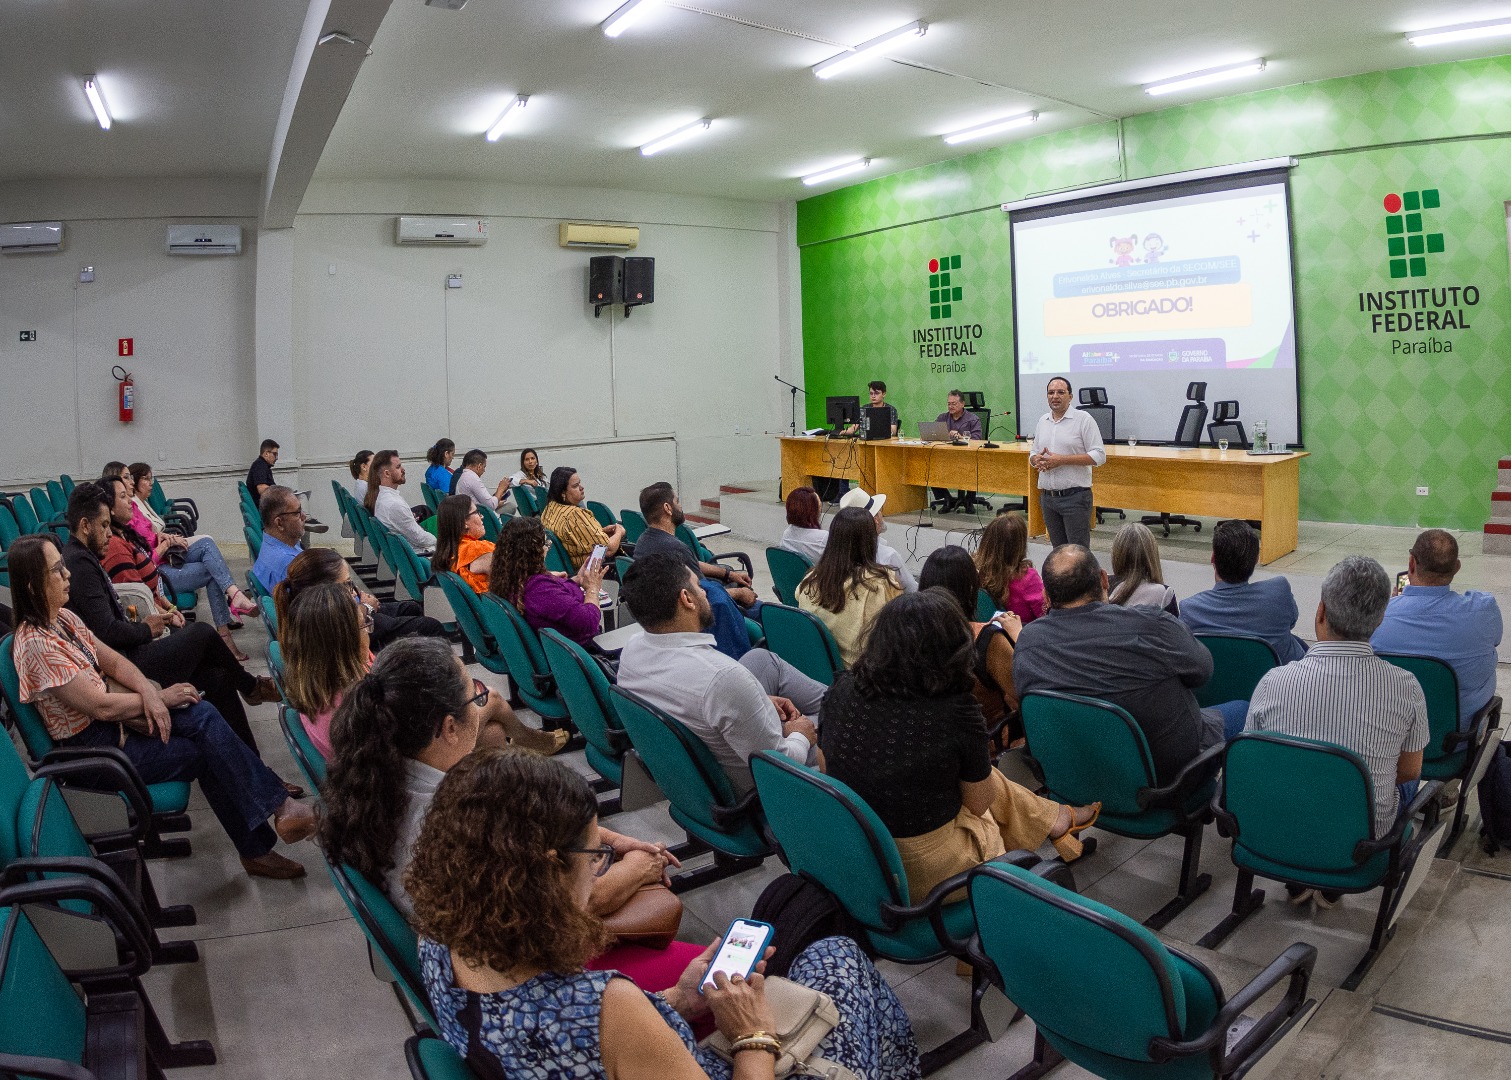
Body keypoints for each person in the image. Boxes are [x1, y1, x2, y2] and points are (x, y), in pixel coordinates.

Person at [410, 749, 921, 1080]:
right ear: (548, 870)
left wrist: (677, 999)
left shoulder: (439, 936)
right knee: (841, 958)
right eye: (595, 857)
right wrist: (752, 1035)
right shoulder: (605, 1006)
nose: (601, 868)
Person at [318, 643, 702, 992]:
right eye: (475, 696)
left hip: (464, 955)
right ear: (449, 728)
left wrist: (612, 840)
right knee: (707, 973)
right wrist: (642, 864)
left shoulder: (376, 776)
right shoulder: (448, 824)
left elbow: (521, 825)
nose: (482, 703)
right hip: (519, 973)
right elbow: (569, 904)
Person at [8, 533, 316, 880]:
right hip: (95, 753)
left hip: (119, 727)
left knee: (202, 713)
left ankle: (271, 822)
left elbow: (114, 663)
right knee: (203, 743)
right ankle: (263, 834)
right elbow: (101, 708)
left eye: (64, 566)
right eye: (56, 570)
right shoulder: (35, 644)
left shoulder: (63, 619)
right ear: (33, 585)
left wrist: (151, 694)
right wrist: (160, 697)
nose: (67, 576)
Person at [820, 590, 1098, 904]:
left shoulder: (842, 687)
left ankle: (1056, 819)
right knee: (980, 787)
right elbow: (979, 804)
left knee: (970, 775)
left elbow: (826, 764)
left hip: (859, 850)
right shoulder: (956, 710)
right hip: (924, 870)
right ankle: (1048, 831)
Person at [61, 483, 284, 765]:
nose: (108, 532)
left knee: (218, 677)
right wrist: (147, 629)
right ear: (84, 525)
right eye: (103, 526)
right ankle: (251, 687)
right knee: (202, 633)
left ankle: (255, 765)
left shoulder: (86, 558)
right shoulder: (80, 564)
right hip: (128, 665)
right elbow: (106, 632)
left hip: (129, 654)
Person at [1013, 544, 1247, 785]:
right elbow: (1203, 671)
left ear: (1047, 597)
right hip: (1164, 779)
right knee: (1244, 709)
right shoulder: (1152, 625)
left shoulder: (1027, 642)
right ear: (1105, 579)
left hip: (1079, 774)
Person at [1248, 556, 1430, 863]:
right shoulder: (1407, 687)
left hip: (1277, 829)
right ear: (1380, 618)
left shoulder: (1273, 681)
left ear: (1320, 612)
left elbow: (1255, 762)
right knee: (1408, 782)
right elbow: (1409, 771)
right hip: (1362, 845)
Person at [617, 554, 827, 793]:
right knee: (844, 723)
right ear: (687, 599)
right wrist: (800, 734)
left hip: (712, 749)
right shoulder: (722, 677)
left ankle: (837, 703)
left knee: (759, 659)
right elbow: (780, 764)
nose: (706, 592)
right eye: (698, 585)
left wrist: (757, 698)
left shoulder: (632, 649)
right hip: (766, 785)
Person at [99, 475, 257, 658]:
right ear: (109, 507)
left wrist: (162, 537)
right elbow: (137, 597)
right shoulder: (117, 545)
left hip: (159, 580)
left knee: (208, 550)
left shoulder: (129, 528)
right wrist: (167, 612)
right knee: (211, 574)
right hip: (158, 582)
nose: (132, 483)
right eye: (123, 493)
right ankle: (230, 616)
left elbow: (150, 543)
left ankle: (231, 609)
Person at [1371, 529, 1503, 727]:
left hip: (1391, 741)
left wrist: (1392, 606)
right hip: (1459, 745)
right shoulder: (1485, 610)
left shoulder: (1377, 618)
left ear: (1411, 563)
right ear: (1457, 567)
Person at [919, 546, 1022, 741]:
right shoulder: (986, 639)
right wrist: (1019, 637)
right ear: (971, 589)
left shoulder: (907, 635)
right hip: (984, 747)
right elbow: (1024, 694)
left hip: (927, 740)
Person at [1178, 519, 1308, 665]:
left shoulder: (1189, 609)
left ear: (1212, 558)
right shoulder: (1279, 591)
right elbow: (1291, 622)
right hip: (1280, 684)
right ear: (1256, 559)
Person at [273, 546, 445, 652]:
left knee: (410, 608)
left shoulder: (309, 625)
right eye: (347, 585)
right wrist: (365, 610)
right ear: (324, 593)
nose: (355, 592)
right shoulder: (336, 638)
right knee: (430, 625)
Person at [796, 506, 903, 666]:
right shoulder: (881, 582)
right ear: (870, 541)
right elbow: (900, 633)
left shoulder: (811, 579)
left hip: (820, 671)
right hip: (865, 677)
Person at [281, 581, 372, 761]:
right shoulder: (358, 709)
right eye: (363, 626)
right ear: (344, 643)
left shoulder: (315, 687)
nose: (368, 632)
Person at [488, 516, 604, 650]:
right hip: (581, 652)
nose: (547, 549)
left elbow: (554, 603)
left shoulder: (510, 578)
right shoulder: (540, 590)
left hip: (560, 649)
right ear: (533, 552)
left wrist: (576, 580)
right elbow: (589, 621)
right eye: (545, 544)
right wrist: (593, 589)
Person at [636, 482, 757, 607]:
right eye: (677, 502)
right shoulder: (675, 548)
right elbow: (704, 596)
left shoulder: (643, 542)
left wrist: (729, 574)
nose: (680, 506)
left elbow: (690, 563)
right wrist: (740, 593)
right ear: (668, 508)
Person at [1028, 377, 1106, 549]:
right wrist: (1035, 459)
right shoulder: (1043, 421)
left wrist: (1062, 460)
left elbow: (1099, 455)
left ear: (1070, 397)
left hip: (1075, 498)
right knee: (1059, 553)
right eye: (1051, 392)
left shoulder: (1083, 419)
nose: (1055, 396)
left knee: (1078, 554)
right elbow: (1033, 452)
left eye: (1060, 392)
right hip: (1048, 499)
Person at [540, 466, 625, 570]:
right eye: (575, 486)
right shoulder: (574, 515)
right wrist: (619, 532)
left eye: (579, 483)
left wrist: (601, 532)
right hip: (587, 570)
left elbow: (571, 538)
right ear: (563, 493)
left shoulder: (549, 508)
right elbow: (608, 549)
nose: (581, 487)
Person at [836, 487, 917, 593]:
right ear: (875, 520)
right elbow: (911, 590)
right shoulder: (888, 556)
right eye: (879, 511)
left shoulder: (833, 555)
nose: (881, 514)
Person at [975, 511, 1047, 625]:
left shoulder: (977, 572)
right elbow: (1045, 615)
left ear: (987, 541)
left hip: (988, 634)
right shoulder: (1028, 578)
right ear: (1021, 545)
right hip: (1021, 636)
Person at [365, 450, 436, 556]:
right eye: (398, 467)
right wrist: (440, 541)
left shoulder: (384, 498)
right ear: (387, 473)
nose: (403, 470)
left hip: (410, 554)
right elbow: (420, 538)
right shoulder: (394, 504)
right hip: (421, 556)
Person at [931, 389, 985, 512]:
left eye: (954, 404)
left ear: (962, 404)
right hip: (946, 456)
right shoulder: (942, 417)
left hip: (967, 457)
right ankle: (946, 498)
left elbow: (977, 439)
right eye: (949, 403)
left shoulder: (973, 419)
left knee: (971, 467)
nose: (950, 406)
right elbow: (933, 434)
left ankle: (969, 499)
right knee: (930, 466)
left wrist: (961, 437)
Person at [1107, 522, 1179, 615]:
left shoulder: (1103, 586)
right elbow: (1175, 628)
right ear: (1152, 555)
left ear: (1116, 554)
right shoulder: (1164, 593)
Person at [431, 495, 494, 595]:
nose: (482, 516)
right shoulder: (480, 550)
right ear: (464, 522)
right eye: (477, 512)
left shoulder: (446, 552)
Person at [252, 485, 308, 594]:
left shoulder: (270, 544)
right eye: (297, 513)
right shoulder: (290, 564)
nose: (304, 516)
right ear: (279, 523)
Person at [779, 486, 827, 564]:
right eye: (819, 507)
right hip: (817, 575)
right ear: (813, 511)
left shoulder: (786, 534)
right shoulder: (823, 537)